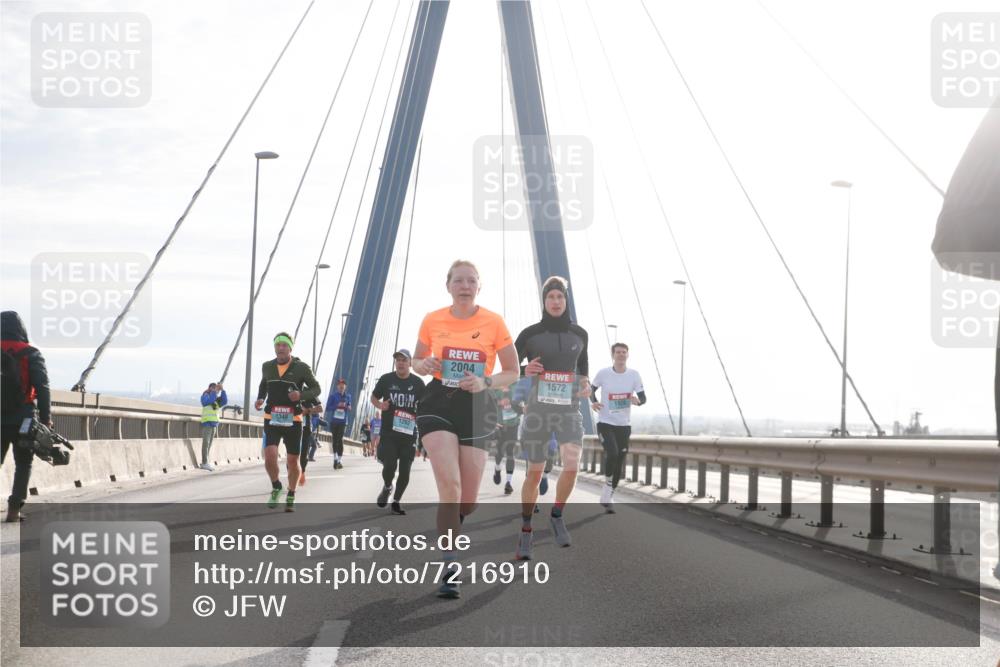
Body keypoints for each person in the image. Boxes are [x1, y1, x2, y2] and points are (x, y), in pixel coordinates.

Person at [412, 259, 519, 598]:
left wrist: (486, 380)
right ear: (448, 286)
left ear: (478, 287)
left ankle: (452, 524)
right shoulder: (432, 319)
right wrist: (423, 364)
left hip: (476, 406)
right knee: (450, 484)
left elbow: (513, 370)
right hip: (438, 402)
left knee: (467, 501)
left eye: (471, 280)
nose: (465, 285)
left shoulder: (493, 322)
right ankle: (450, 565)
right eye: (458, 280)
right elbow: (416, 361)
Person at [512, 277, 590, 559]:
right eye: (550, 297)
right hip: (538, 413)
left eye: (560, 296)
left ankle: (557, 513)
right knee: (534, 473)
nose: (556, 301)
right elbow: (508, 367)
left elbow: (584, 371)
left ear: (566, 301)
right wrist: (524, 370)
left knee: (572, 466)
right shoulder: (530, 334)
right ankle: (526, 529)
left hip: (568, 410)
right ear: (544, 302)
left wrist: (586, 386)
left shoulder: (580, 334)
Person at [254, 332, 321, 512]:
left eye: (285, 345)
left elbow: (317, 389)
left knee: (293, 461)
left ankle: (291, 493)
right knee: (270, 455)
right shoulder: (267, 366)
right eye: (278, 345)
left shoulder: (302, 368)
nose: (281, 348)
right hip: (272, 418)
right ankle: (276, 486)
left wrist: (301, 395)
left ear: (290, 348)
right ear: (275, 348)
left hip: (294, 420)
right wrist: (261, 399)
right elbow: (264, 384)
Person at [1, 312, 50, 523]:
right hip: (24, 418)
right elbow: (43, 387)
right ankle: (14, 510)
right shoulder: (31, 353)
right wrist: (46, 418)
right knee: (23, 463)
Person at [590, 342, 646, 513]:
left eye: (624, 352)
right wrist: (594, 402)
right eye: (618, 352)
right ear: (613, 355)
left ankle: (608, 496)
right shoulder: (603, 373)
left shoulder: (634, 375)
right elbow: (591, 390)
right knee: (612, 453)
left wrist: (638, 401)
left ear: (628, 355)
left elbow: (643, 398)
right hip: (605, 422)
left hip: (624, 425)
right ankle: (607, 489)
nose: (621, 355)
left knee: (619, 460)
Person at [371, 349, 427, 515]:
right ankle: (388, 486)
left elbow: (425, 406)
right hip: (389, 432)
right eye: (398, 360)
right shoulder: (386, 379)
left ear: (410, 363)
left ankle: (396, 501)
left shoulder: (418, 383)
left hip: (409, 434)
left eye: (404, 360)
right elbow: (374, 397)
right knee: (389, 465)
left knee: (405, 470)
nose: (400, 363)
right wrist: (381, 405)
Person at [492, 384, 521, 495]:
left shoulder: (517, 387)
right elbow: (489, 403)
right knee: (499, 453)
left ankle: (508, 483)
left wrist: (514, 404)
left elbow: (522, 406)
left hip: (513, 425)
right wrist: (500, 403)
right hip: (500, 425)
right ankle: (497, 468)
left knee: (510, 452)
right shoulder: (496, 387)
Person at [199, 382, 228, 471]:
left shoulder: (215, 398)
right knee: (206, 443)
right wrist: (214, 392)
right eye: (214, 388)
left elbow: (225, 401)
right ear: (210, 388)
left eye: (216, 389)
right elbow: (207, 402)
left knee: (209, 444)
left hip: (214, 424)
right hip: (207, 423)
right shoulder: (205, 395)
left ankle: (206, 461)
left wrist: (222, 390)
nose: (215, 390)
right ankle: (204, 462)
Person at [325, 379, 351, 469]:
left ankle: (339, 460)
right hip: (334, 421)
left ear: (345, 387)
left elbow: (349, 406)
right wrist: (337, 405)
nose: (341, 386)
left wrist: (347, 407)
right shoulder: (333, 396)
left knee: (340, 439)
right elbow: (328, 408)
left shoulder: (348, 396)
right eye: (340, 385)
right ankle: (335, 457)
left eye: (343, 385)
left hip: (343, 422)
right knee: (335, 440)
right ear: (337, 387)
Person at [298, 398, 322, 486]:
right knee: (291, 455)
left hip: (306, 428)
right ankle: (291, 479)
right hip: (291, 427)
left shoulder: (310, 392)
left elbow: (320, 408)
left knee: (304, 454)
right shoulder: (289, 389)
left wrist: (307, 410)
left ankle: (302, 472)